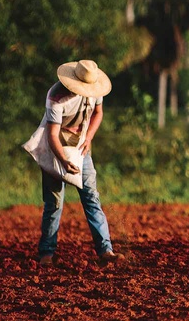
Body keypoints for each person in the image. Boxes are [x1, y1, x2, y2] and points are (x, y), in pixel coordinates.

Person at [25, 60, 124, 267]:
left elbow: (98, 113)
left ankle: (106, 250)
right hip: (55, 149)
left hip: (80, 147)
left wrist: (88, 138)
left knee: (91, 198)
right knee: (54, 203)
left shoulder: (96, 91)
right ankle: (46, 254)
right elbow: (52, 134)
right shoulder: (56, 96)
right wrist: (63, 160)